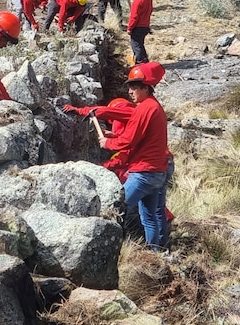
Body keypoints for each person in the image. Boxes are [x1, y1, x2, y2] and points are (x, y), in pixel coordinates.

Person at [64, 96, 175, 242]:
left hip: (146, 169)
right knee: (154, 212)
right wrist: (115, 137)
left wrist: (106, 157)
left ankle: (112, 244)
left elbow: (127, 149)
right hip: (161, 165)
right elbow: (136, 140)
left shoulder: (131, 111)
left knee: (118, 208)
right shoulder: (142, 113)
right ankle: (160, 248)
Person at [96, 63, 169, 250]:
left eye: (135, 87)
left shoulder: (145, 108)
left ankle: (109, 251)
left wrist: (108, 143)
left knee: (117, 210)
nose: (130, 91)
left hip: (143, 173)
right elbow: (139, 137)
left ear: (146, 87)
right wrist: (115, 136)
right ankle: (157, 252)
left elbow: (130, 140)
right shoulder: (154, 107)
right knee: (150, 216)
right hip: (157, 172)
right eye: (129, 87)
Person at [127, 0, 152, 64]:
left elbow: (134, 16)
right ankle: (145, 62)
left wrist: (130, 28)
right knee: (140, 45)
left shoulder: (138, 0)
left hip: (138, 27)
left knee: (136, 46)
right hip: (146, 26)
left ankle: (140, 64)